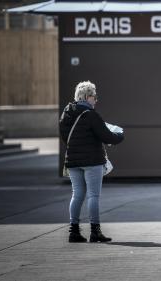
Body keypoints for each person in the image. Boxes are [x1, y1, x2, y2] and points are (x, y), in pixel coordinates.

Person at [59, 81, 124, 243]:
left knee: (77, 195)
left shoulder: (66, 114)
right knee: (93, 196)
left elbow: (65, 138)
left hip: (73, 160)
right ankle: (95, 231)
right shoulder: (90, 115)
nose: (96, 100)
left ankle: (73, 231)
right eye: (95, 97)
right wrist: (120, 134)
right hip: (92, 161)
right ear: (87, 97)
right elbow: (107, 137)